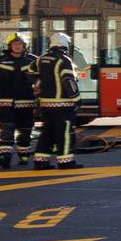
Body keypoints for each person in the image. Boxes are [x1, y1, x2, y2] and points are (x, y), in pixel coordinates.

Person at [0, 34, 40, 167]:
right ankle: (4, 157)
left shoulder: (33, 61)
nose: (17, 46)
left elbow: (42, 78)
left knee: (26, 130)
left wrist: (39, 92)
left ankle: (24, 156)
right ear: (10, 46)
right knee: (7, 129)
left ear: (24, 45)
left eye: (20, 44)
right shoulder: (0, 61)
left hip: (27, 103)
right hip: (5, 103)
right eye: (14, 44)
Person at [32, 34, 82, 170]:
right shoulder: (64, 60)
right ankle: (66, 161)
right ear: (65, 44)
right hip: (62, 104)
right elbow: (68, 81)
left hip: (45, 104)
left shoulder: (41, 59)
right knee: (64, 133)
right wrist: (77, 99)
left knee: (47, 133)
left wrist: (39, 86)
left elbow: (30, 72)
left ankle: (40, 161)